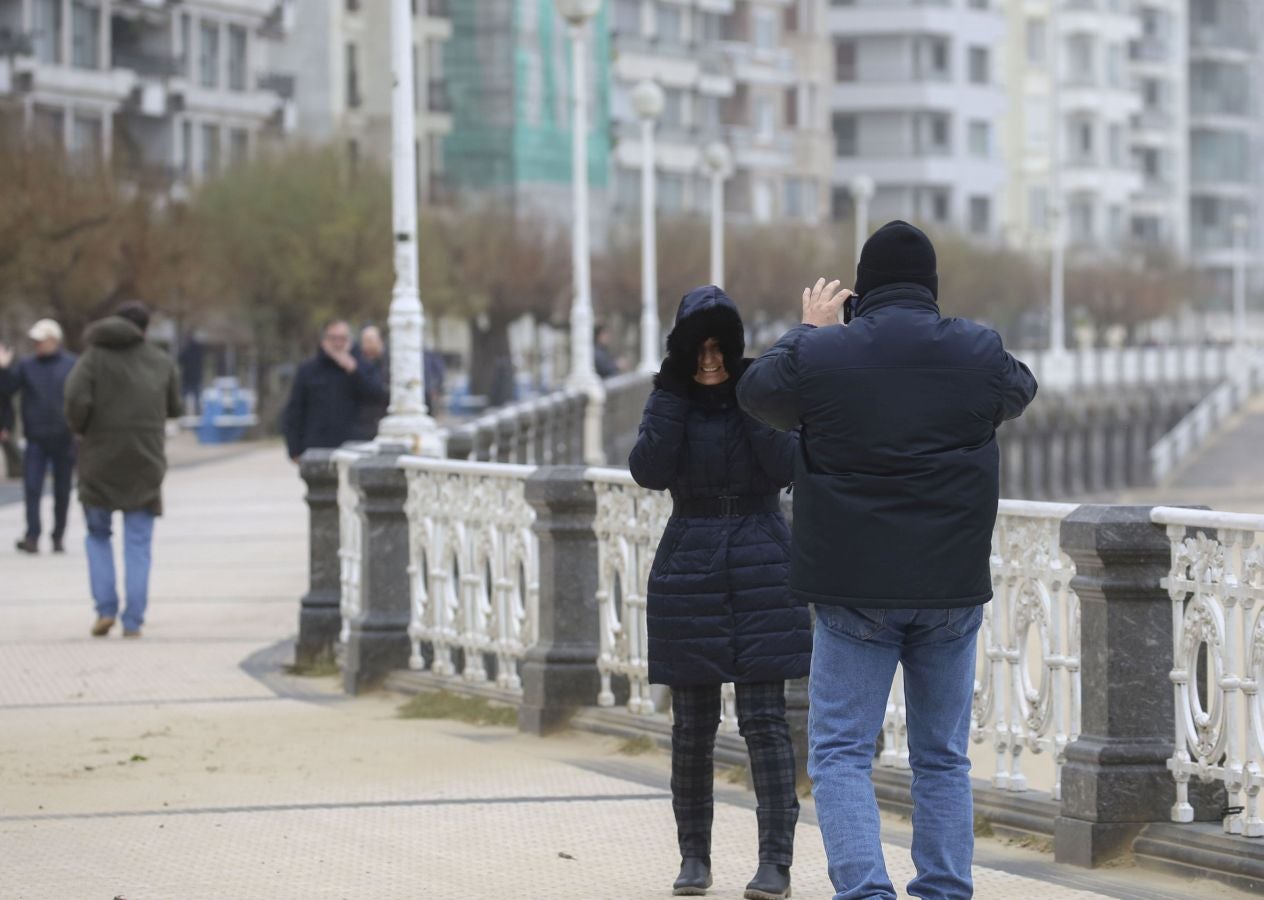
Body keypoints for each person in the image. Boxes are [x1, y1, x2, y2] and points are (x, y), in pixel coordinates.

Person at [737, 221, 1038, 900]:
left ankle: (867, 891)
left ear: (858, 292)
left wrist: (810, 329)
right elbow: (1019, 388)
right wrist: (952, 341)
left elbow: (756, 395)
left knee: (841, 753)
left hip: (853, 590)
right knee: (942, 757)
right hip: (951, 589)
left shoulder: (824, 354)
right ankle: (943, 890)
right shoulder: (975, 349)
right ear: (931, 289)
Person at [629, 285, 808, 900]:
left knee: (764, 723)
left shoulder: (758, 388)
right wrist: (676, 391)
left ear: (732, 347)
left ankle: (775, 865)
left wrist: (746, 397)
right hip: (690, 562)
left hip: (761, 557)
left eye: (718, 348)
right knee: (692, 727)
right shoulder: (667, 397)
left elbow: (788, 465)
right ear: (683, 351)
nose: (710, 360)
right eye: (697, 349)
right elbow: (648, 469)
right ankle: (694, 860)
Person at [64, 302, 182, 639]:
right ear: (145, 330)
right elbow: (175, 407)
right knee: (138, 542)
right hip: (145, 460)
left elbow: (75, 400)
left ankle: (104, 609)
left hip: (98, 460)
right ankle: (133, 619)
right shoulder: (160, 361)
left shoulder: (92, 358)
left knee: (98, 535)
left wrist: (83, 428)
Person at [0, 319, 78, 553]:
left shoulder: (72, 364)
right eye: (35, 341)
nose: (37, 345)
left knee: (62, 490)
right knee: (32, 487)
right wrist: (3, 368)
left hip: (65, 437)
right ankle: (32, 536)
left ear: (54, 339)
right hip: (35, 438)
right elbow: (6, 391)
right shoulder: (26, 365)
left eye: (40, 340)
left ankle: (58, 536)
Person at [282, 319, 388, 461]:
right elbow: (295, 411)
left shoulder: (363, 367)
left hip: (356, 449)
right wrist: (294, 450)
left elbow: (378, 396)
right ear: (324, 340)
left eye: (342, 339)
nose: (338, 344)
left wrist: (354, 370)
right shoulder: (308, 370)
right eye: (333, 338)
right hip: (317, 449)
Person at [351, 325, 389, 441]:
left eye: (370, 341)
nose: (367, 345)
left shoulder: (389, 363)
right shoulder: (356, 363)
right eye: (364, 341)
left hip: (383, 422)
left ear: (380, 341)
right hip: (362, 425)